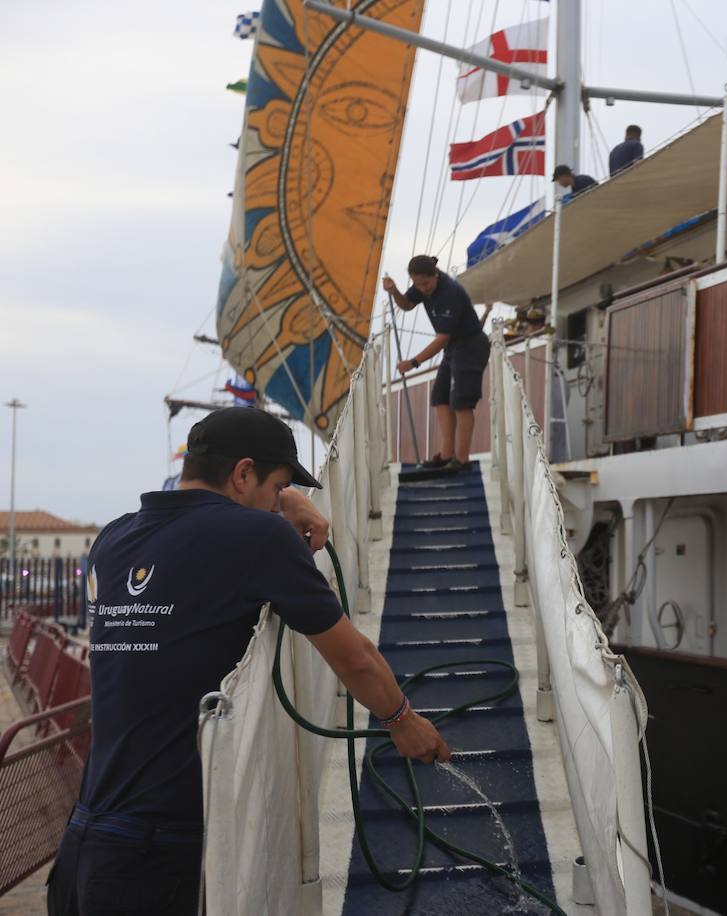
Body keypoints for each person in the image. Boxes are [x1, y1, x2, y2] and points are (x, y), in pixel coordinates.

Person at [46, 407, 449, 916]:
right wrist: (401, 722)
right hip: (160, 857)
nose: (277, 501)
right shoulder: (259, 538)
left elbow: (198, 554)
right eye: (277, 485)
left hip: (85, 841)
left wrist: (278, 502)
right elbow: (357, 659)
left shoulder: (113, 539)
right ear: (243, 473)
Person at [383, 255, 492, 472]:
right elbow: (406, 304)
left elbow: (442, 337)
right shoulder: (423, 287)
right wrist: (395, 291)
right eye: (417, 284)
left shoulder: (450, 292)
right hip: (453, 348)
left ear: (436, 275)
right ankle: (446, 455)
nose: (423, 289)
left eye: (426, 283)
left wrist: (414, 362)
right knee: (440, 398)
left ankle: (462, 460)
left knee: (462, 402)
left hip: (470, 345)